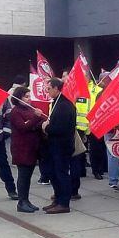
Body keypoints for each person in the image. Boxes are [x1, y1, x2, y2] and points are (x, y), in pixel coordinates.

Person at [42, 77, 76, 214]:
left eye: (49, 88)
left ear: (56, 88)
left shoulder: (64, 105)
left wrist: (46, 128)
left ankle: (64, 202)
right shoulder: (56, 102)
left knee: (61, 173)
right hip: (54, 145)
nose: (47, 91)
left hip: (62, 146)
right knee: (53, 173)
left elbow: (61, 128)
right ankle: (57, 198)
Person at [10, 86, 45, 213]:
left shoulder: (30, 108)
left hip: (32, 147)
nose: (29, 99)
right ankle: (21, 201)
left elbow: (36, 123)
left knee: (28, 175)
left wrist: (41, 119)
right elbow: (23, 127)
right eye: (26, 96)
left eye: (29, 96)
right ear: (19, 98)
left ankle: (26, 199)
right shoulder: (15, 112)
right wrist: (36, 118)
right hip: (21, 148)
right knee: (23, 175)